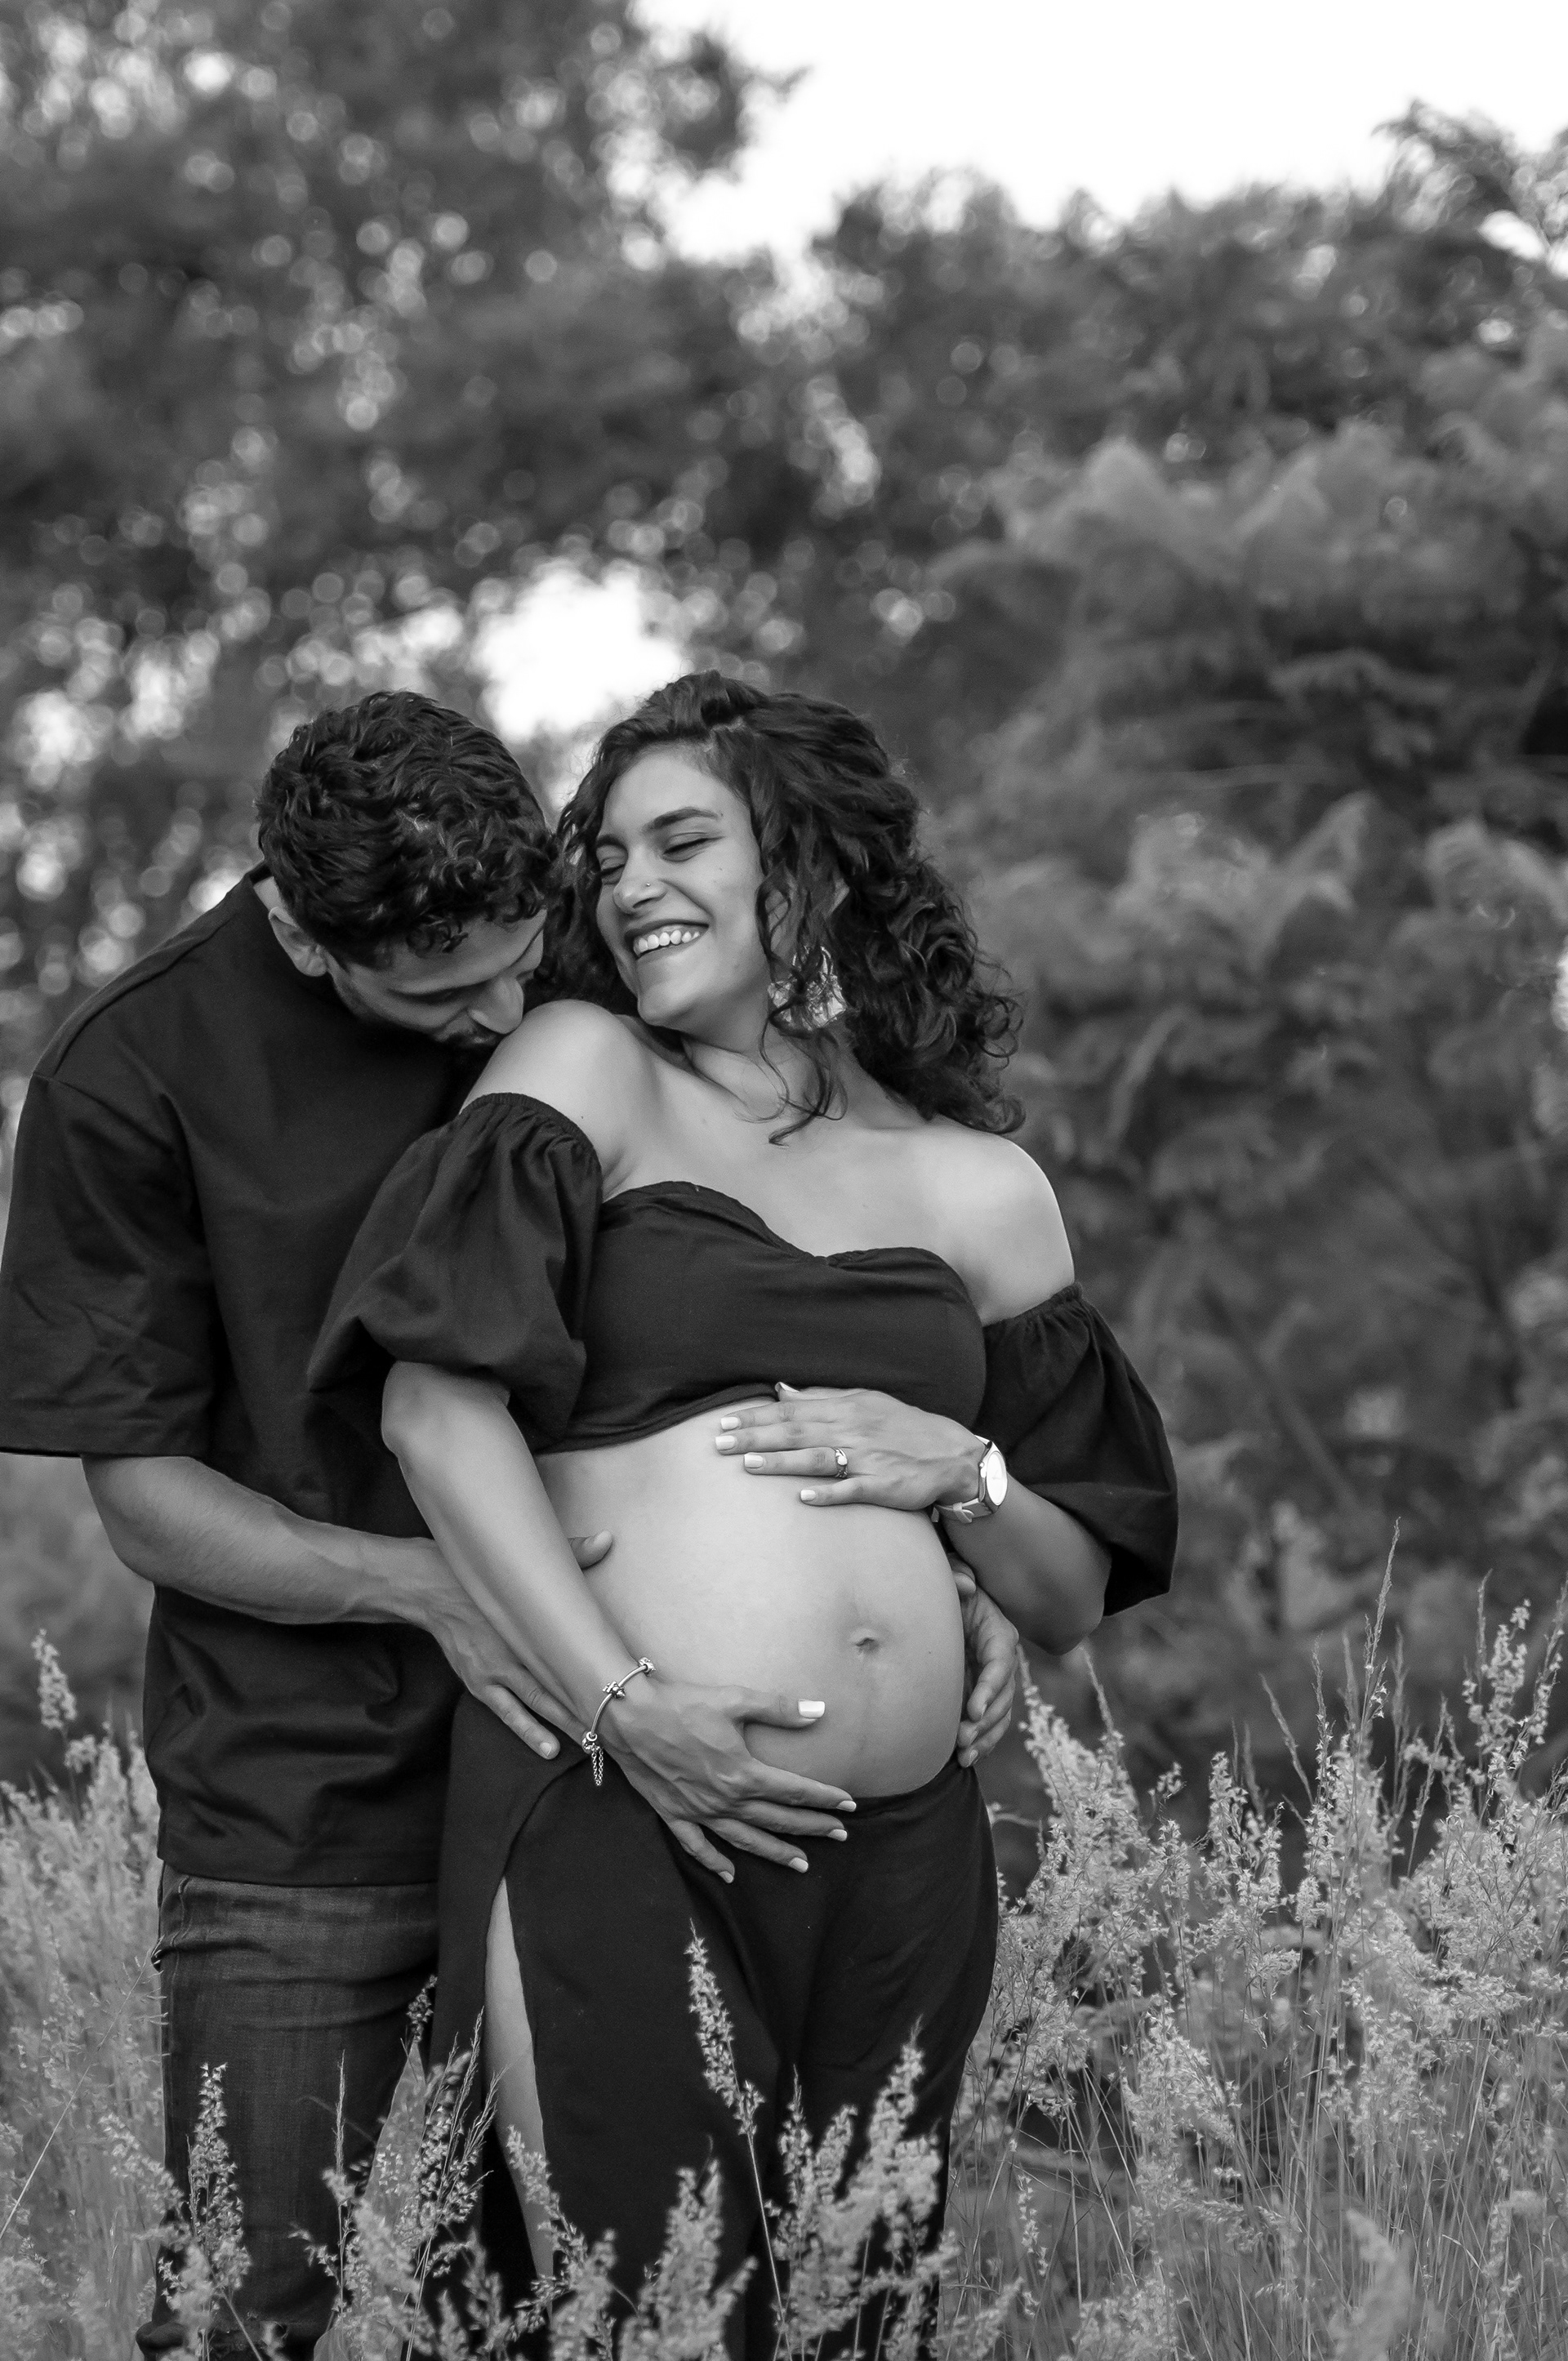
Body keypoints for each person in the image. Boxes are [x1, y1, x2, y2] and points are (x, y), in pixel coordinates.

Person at [0, 686, 1020, 2360]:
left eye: (518, 959)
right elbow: (148, 1499)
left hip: (616, 1791)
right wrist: (434, 1586)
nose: (500, 1015)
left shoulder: (591, 971)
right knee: (252, 2305)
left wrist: (934, 1533)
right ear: (305, 934)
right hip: (311, 1785)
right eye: (439, 996)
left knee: (612, 2303)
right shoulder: (131, 1075)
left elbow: (750, 1269)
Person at [310, 672, 1178, 2348]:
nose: (629, 886)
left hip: (907, 1856)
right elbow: (433, 1407)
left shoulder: (980, 1185)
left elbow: (1068, 1592)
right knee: (657, 2314)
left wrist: (962, 1471)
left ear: (812, 864)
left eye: (682, 841)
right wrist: (625, 1709)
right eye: (609, 859)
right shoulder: (589, 1070)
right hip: (628, 1801)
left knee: (860, 2319)